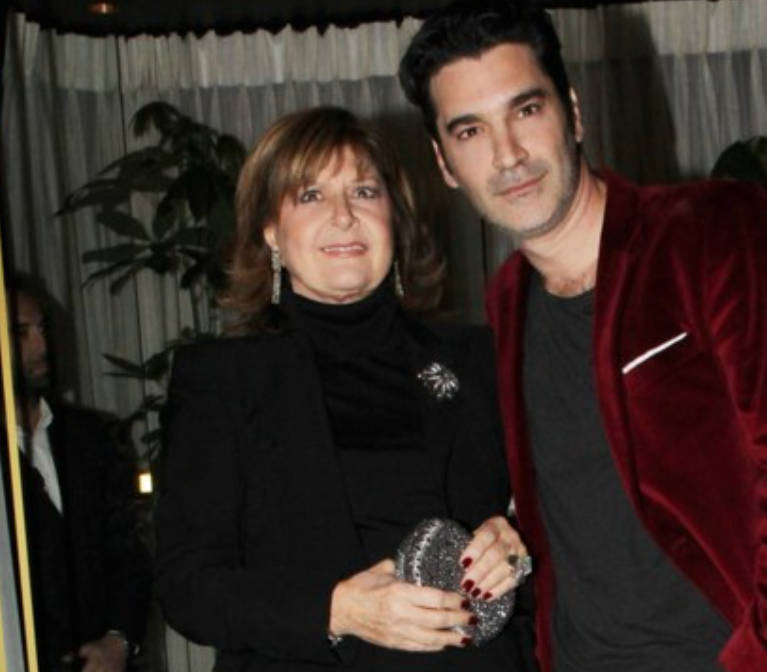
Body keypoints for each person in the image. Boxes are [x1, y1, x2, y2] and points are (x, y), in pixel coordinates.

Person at [398, 2, 767, 671]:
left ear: (573, 113)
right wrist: (513, 533)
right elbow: (594, 483)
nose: (508, 154)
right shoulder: (508, 301)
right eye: (471, 131)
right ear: (445, 163)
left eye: (526, 110)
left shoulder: (708, 232)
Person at [154, 106, 534, 672]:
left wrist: (517, 548)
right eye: (310, 196)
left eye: (364, 191)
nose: (343, 215)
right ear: (270, 231)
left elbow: (563, 530)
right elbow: (187, 586)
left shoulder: (481, 359)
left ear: (394, 218)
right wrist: (337, 610)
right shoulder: (221, 380)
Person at [7, 274, 151, 672]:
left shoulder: (90, 435)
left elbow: (131, 553)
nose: (42, 346)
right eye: (21, 333)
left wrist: (118, 641)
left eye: (42, 329)